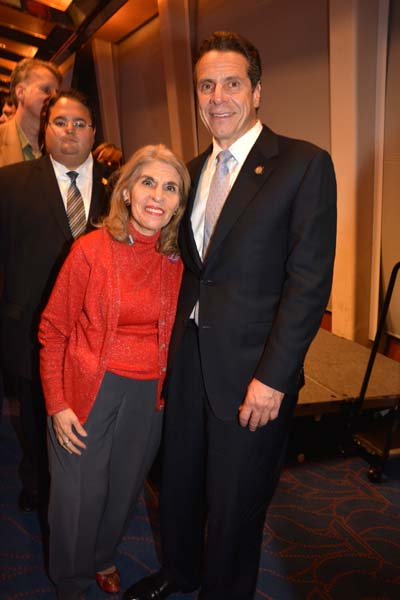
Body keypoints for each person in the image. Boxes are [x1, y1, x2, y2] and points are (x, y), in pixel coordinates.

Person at [124, 31, 337, 600]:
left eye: (232, 83)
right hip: (189, 363)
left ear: (258, 91)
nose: (218, 96)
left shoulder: (302, 164)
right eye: (207, 85)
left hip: (253, 372)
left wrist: (273, 378)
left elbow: (309, 282)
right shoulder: (189, 171)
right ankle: (180, 571)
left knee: (237, 501)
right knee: (181, 483)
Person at [38, 144, 190, 599]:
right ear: (126, 191)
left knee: (124, 489)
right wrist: (58, 403)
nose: (157, 196)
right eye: (148, 182)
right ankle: (70, 579)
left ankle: (103, 554)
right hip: (87, 387)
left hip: (149, 396)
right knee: (75, 497)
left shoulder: (177, 261)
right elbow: (53, 329)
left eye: (170, 188)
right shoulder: (90, 250)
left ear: (180, 204)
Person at [0, 89, 109, 513]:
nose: (70, 131)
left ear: (94, 132)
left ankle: (86, 490)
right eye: (60, 122)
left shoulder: (119, 186)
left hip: (96, 334)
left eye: (79, 124)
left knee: (91, 417)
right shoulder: (10, 184)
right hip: (29, 328)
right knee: (32, 415)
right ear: (45, 130)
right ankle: (35, 483)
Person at [0, 57, 61, 167]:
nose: (54, 98)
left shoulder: (62, 144)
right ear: (21, 92)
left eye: (57, 93)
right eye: (46, 90)